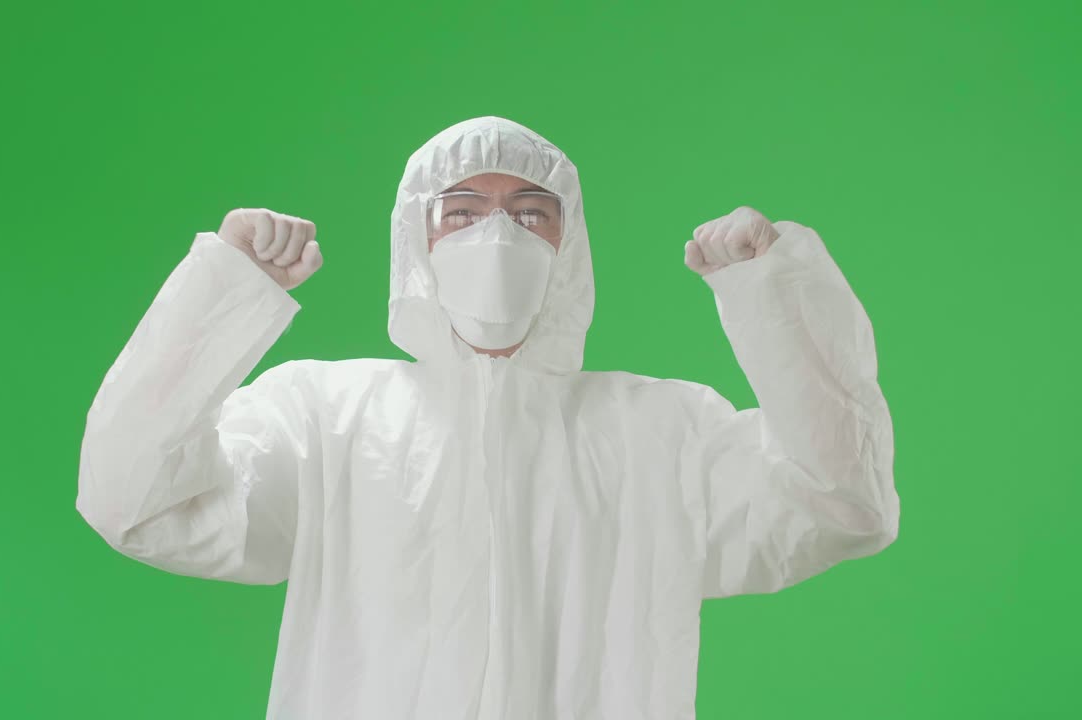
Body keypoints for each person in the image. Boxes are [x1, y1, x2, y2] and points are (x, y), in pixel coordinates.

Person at [77, 116, 900, 719]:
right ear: (417, 239)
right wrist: (222, 294)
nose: (497, 235)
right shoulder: (327, 420)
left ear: (569, 246)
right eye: (463, 212)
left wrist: (776, 297)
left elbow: (840, 505)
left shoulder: (660, 433)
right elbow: (137, 505)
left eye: (531, 213)